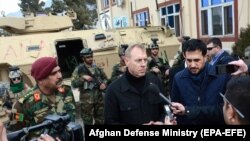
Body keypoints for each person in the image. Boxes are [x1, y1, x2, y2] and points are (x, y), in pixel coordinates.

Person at [170, 39, 231, 125]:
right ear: (184, 56)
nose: (192, 65)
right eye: (189, 60)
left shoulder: (221, 76)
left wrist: (188, 111)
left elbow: (225, 110)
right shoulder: (178, 78)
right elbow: (175, 111)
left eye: (196, 60)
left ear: (205, 57)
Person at [10, 57, 76, 134]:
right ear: (40, 80)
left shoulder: (67, 91)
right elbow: (15, 133)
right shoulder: (22, 104)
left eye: (59, 71)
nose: (60, 76)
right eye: (53, 73)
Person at [104, 43, 166, 125]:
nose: (143, 64)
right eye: (138, 60)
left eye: (145, 60)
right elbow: (110, 122)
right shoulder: (113, 90)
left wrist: (161, 122)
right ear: (127, 61)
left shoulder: (155, 82)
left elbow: (166, 108)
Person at [71, 48, 108, 125]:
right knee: (87, 121)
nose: (90, 58)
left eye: (91, 56)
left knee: (101, 119)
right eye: (88, 57)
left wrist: (104, 84)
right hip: (86, 101)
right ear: (83, 58)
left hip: (99, 98)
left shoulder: (97, 69)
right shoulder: (79, 69)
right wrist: (83, 78)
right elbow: (73, 84)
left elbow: (105, 78)